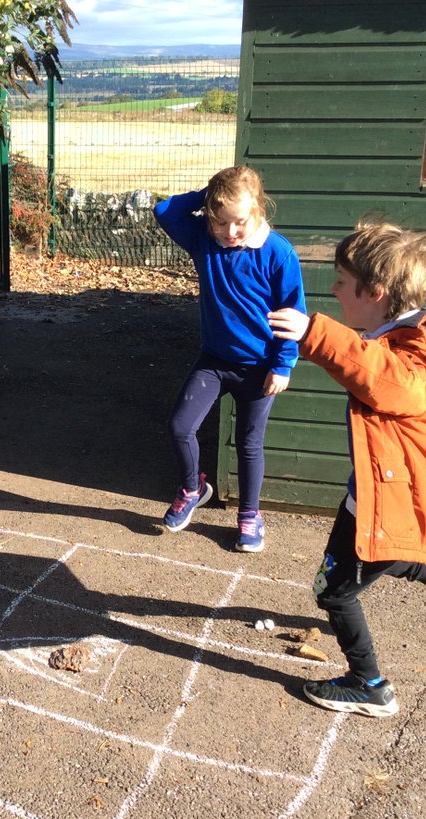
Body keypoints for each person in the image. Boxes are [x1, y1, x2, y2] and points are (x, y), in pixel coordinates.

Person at [268, 220, 426, 717]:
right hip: (385, 486)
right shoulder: (414, 330)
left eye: (342, 282)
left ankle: (368, 684)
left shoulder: (412, 354)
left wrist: (314, 332)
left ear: (375, 293)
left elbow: (389, 379)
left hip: (394, 496)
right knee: (381, 553)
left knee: (333, 592)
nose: (333, 291)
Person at [153, 165, 306, 551]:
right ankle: (193, 488)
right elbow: (164, 210)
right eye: (220, 221)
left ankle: (250, 516)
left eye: (239, 221)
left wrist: (283, 364)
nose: (230, 231)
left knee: (249, 444)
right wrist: (209, 195)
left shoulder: (278, 252)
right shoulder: (203, 239)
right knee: (179, 427)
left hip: (260, 367)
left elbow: (293, 312)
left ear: (257, 208)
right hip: (214, 361)